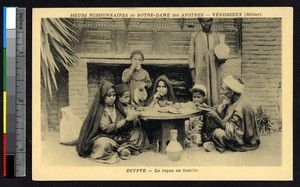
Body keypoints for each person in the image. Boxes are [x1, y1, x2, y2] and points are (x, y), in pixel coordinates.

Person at [76, 81, 149, 164]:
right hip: (104, 136)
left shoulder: (117, 107)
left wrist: (132, 119)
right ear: (103, 96)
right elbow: (107, 129)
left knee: (139, 133)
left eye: (114, 95)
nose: (112, 98)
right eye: (108, 95)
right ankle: (122, 150)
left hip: (118, 136)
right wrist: (126, 120)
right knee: (103, 144)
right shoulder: (101, 110)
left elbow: (125, 126)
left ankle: (121, 148)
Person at [204, 75, 260, 153]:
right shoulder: (232, 100)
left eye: (223, 89)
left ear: (231, 92)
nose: (221, 92)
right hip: (234, 133)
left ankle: (213, 142)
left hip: (242, 140)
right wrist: (208, 108)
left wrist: (216, 117)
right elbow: (220, 109)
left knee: (217, 133)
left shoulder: (241, 106)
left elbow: (233, 133)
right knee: (210, 118)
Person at [188, 18, 224, 107]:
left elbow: (221, 54)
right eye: (203, 22)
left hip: (214, 70)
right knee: (200, 92)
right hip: (200, 70)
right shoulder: (195, 36)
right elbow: (191, 54)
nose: (206, 24)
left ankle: (214, 114)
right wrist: (192, 70)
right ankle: (201, 117)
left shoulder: (218, 36)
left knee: (215, 92)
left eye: (208, 21)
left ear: (212, 21)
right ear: (200, 22)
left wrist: (223, 58)